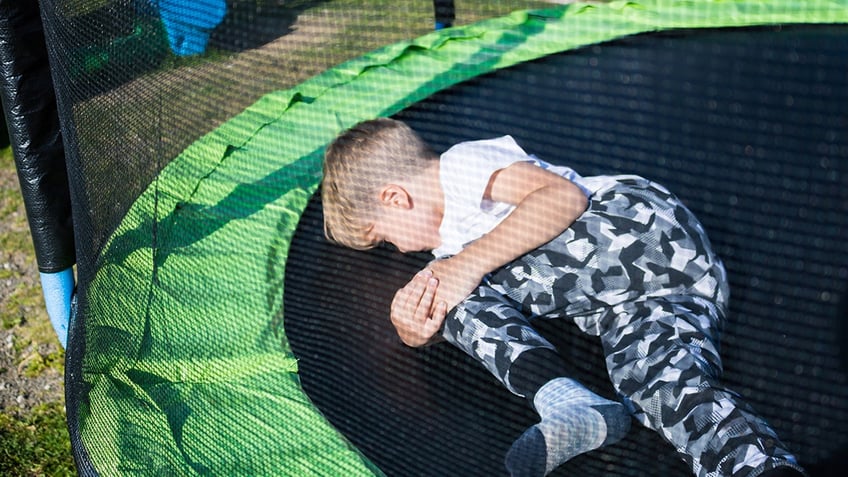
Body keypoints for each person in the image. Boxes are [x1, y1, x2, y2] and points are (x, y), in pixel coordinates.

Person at [321, 117, 806, 477]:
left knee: (449, 278)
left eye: (385, 239)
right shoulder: (451, 254)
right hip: (644, 306)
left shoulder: (462, 167)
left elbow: (561, 199)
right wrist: (416, 329)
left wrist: (458, 269)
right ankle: (577, 405)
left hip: (639, 232)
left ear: (395, 198)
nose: (399, 250)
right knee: (658, 388)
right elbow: (459, 294)